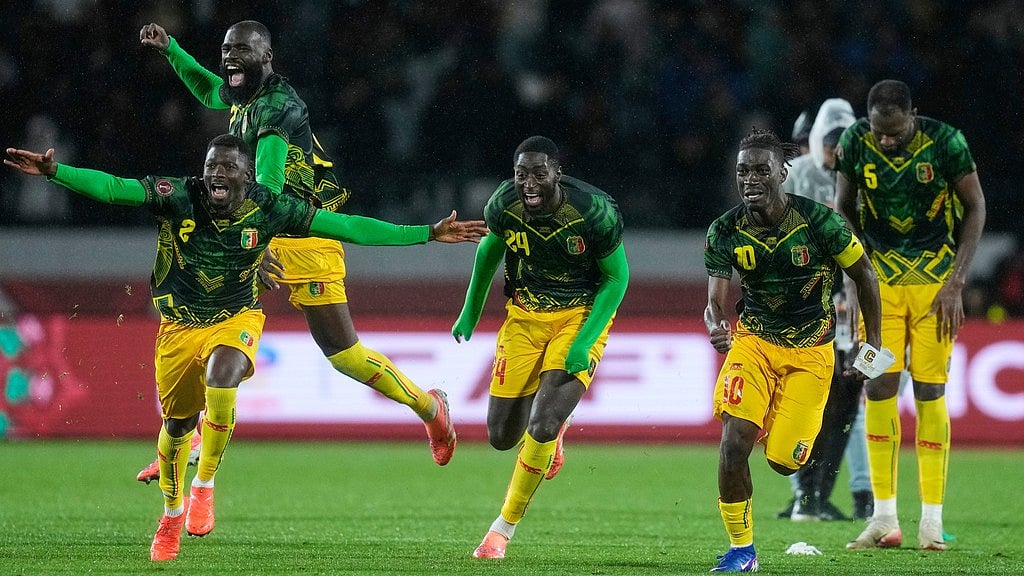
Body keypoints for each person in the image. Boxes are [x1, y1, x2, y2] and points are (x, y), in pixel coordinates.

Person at [3, 135, 486, 561]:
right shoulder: (179, 194)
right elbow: (114, 188)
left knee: (226, 373)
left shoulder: (269, 194)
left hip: (236, 316)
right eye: (212, 164)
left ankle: (205, 485)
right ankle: (171, 515)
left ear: (249, 176)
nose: (218, 173)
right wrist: (55, 172)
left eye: (229, 167)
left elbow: (351, 227)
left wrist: (427, 233)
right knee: (174, 427)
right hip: (178, 326)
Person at [133, 20, 459, 484]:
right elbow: (210, 92)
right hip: (263, 227)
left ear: (267, 57)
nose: (229, 58)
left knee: (344, 355)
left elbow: (267, 188)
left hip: (301, 232)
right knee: (201, 316)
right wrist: (172, 50)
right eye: (225, 49)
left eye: (240, 50)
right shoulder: (243, 95)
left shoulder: (278, 108)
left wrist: (254, 241)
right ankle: (183, 436)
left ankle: (430, 407)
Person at [704, 128, 885, 572]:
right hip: (754, 343)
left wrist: (872, 342)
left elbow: (865, 276)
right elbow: (714, 300)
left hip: (812, 353)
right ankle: (742, 551)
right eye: (743, 171)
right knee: (732, 445)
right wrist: (715, 324)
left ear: (782, 172)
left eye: (760, 170)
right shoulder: (725, 230)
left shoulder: (821, 223)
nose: (750, 179)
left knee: (785, 463)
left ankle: (769, 416)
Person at [451, 136, 629, 559]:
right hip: (524, 318)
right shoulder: (503, 204)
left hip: (578, 317)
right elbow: (492, 247)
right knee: (500, 436)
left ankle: (500, 532)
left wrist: (585, 341)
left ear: (557, 174)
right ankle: (552, 430)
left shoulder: (594, 212)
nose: (528, 183)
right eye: (520, 173)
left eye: (538, 173)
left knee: (543, 423)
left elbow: (617, 278)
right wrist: (470, 309)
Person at [836, 79, 986, 551]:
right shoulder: (854, 141)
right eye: (880, 131)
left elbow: (976, 205)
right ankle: (884, 518)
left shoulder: (946, 142)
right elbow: (843, 206)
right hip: (877, 288)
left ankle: (931, 522)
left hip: (934, 290)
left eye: (895, 132)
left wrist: (958, 282)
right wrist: (855, 277)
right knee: (877, 385)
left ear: (913, 115)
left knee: (929, 390)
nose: (886, 140)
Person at [777, 98, 873, 522]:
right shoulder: (795, 176)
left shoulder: (867, 175)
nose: (837, 155)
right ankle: (805, 493)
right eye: (832, 146)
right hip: (804, 299)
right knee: (807, 393)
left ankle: (823, 494)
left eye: (844, 147)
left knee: (850, 392)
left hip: (856, 301)